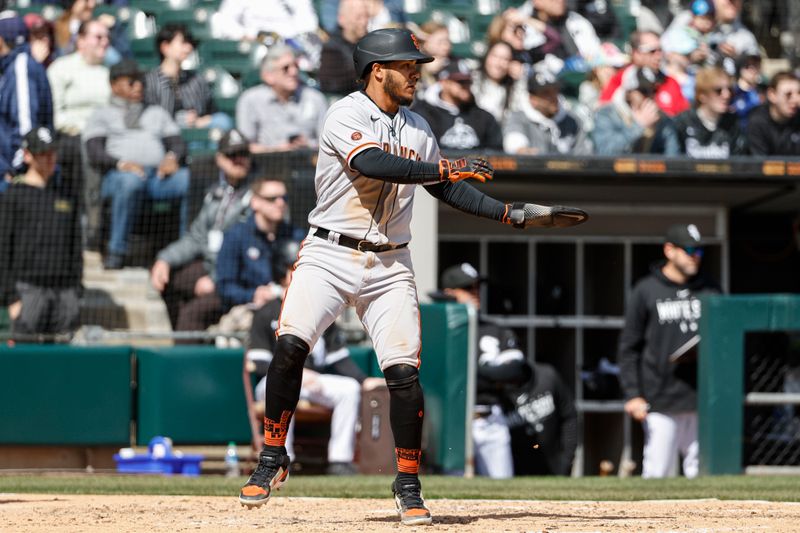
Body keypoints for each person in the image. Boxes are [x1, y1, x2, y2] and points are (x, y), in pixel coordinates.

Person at [237, 27, 587, 525]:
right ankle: (272, 457)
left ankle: (407, 483)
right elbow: (376, 164)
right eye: (406, 66)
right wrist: (445, 168)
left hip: (388, 262)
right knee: (291, 344)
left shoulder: (420, 126)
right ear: (377, 71)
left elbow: (444, 190)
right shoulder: (346, 112)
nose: (416, 74)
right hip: (330, 252)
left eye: (416, 66)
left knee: (403, 373)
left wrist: (507, 213)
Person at [247, 239, 382, 475]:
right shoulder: (267, 311)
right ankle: (279, 461)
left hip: (313, 383)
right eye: (294, 268)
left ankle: (340, 461)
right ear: (283, 273)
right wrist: (294, 371)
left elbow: (338, 359)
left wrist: (363, 381)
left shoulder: (322, 309)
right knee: (278, 389)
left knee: (348, 389)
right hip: (273, 380)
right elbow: (256, 361)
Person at [618, 223, 722, 479]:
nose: (694, 256)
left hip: (701, 397)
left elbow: (724, 343)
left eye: (699, 251)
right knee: (657, 472)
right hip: (660, 396)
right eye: (688, 249)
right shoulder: (646, 290)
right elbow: (629, 347)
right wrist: (633, 394)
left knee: (702, 474)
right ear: (669, 250)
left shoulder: (710, 289)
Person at [83, 59, 190, 270]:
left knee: (187, 180)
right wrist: (121, 164)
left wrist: (172, 158)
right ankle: (117, 251)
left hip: (157, 177)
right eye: (131, 82)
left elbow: (177, 143)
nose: (138, 86)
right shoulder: (101, 114)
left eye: (140, 81)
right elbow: (94, 150)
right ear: (114, 85)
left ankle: (184, 246)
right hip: (118, 177)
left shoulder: (156, 112)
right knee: (130, 182)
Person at [150, 129, 253, 336]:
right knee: (166, 280)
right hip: (209, 265)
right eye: (232, 155)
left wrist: (215, 279)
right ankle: (186, 339)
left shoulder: (257, 194)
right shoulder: (215, 193)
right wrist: (164, 260)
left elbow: (248, 251)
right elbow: (196, 237)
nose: (238, 160)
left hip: (236, 278)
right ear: (220, 159)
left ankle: (184, 360)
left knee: (191, 315)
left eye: (243, 154)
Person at [436, 263, 532, 479]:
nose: (475, 293)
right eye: (468, 289)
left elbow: (517, 371)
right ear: (449, 294)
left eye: (477, 288)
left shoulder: (494, 329)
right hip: (453, 419)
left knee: (501, 486)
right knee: (452, 484)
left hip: (490, 418)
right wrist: (487, 375)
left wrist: (471, 373)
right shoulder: (440, 330)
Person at [0, 127, 81, 339]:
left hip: (64, 294)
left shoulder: (66, 196)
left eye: (52, 153)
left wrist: (76, 291)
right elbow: (2, 249)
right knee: (24, 362)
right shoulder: (13, 196)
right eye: (42, 154)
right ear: (27, 156)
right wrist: (11, 298)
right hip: (28, 291)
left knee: (65, 363)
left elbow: (75, 247)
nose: (49, 159)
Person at [214, 176, 305, 314]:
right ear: (255, 202)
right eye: (272, 198)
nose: (280, 203)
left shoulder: (296, 235)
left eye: (284, 198)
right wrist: (253, 294)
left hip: (292, 308)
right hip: (249, 310)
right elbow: (225, 286)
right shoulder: (236, 236)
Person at [47, 20, 111, 204]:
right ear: (81, 41)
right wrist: (84, 127)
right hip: (72, 138)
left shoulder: (110, 72)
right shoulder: (61, 67)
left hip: (107, 137)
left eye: (107, 37)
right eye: (98, 37)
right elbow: (54, 113)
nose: (105, 42)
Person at [235, 44, 328, 153]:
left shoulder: (315, 98)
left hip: (309, 164)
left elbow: (329, 144)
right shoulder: (251, 100)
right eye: (286, 68)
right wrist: (277, 149)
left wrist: (308, 145)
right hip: (268, 165)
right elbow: (245, 147)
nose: (293, 72)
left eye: (296, 66)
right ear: (268, 76)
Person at [143, 24, 232, 132]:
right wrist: (177, 121)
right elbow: (148, 118)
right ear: (165, 47)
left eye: (190, 44)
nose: (189, 48)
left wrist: (199, 120)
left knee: (223, 121)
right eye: (183, 43)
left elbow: (211, 111)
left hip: (196, 135)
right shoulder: (149, 81)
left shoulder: (196, 79)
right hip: (164, 135)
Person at [0, 13, 53, 179]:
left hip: (15, 173)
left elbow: (26, 126)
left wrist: (16, 169)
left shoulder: (20, 67)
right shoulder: (12, 66)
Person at [411, 59, 504, 152]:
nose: (465, 86)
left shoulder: (484, 118)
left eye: (468, 81)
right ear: (444, 82)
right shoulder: (423, 115)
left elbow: (496, 156)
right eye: (460, 82)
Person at [599, 31, 690, 117]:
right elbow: (603, 112)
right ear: (636, 53)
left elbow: (683, 116)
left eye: (660, 50)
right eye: (652, 51)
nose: (658, 56)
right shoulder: (621, 80)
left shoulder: (670, 82)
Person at [503, 68, 592, 155]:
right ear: (532, 99)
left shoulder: (573, 121)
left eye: (555, 91)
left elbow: (585, 156)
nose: (553, 97)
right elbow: (516, 148)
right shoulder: (518, 118)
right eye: (546, 93)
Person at [593, 67, 680, 155]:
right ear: (629, 93)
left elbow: (672, 156)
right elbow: (605, 152)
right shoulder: (607, 114)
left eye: (654, 90)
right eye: (644, 91)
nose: (649, 95)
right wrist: (638, 126)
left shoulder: (662, 118)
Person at [673, 66, 746, 158]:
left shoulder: (733, 124)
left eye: (730, 90)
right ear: (702, 96)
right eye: (718, 91)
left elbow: (739, 163)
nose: (726, 95)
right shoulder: (683, 122)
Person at [317, 0, 370, 97]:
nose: (364, 22)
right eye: (358, 17)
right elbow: (331, 85)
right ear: (342, 19)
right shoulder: (331, 48)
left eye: (366, 16)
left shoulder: (370, 42)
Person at [472, 41, 527, 124]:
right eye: (495, 56)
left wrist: (520, 79)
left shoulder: (513, 90)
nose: (499, 63)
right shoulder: (472, 80)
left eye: (505, 59)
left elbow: (521, 110)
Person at [746, 71, 800, 156]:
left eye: (799, 93)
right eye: (788, 94)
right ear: (772, 95)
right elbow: (760, 164)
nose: (796, 100)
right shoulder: (757, 122)